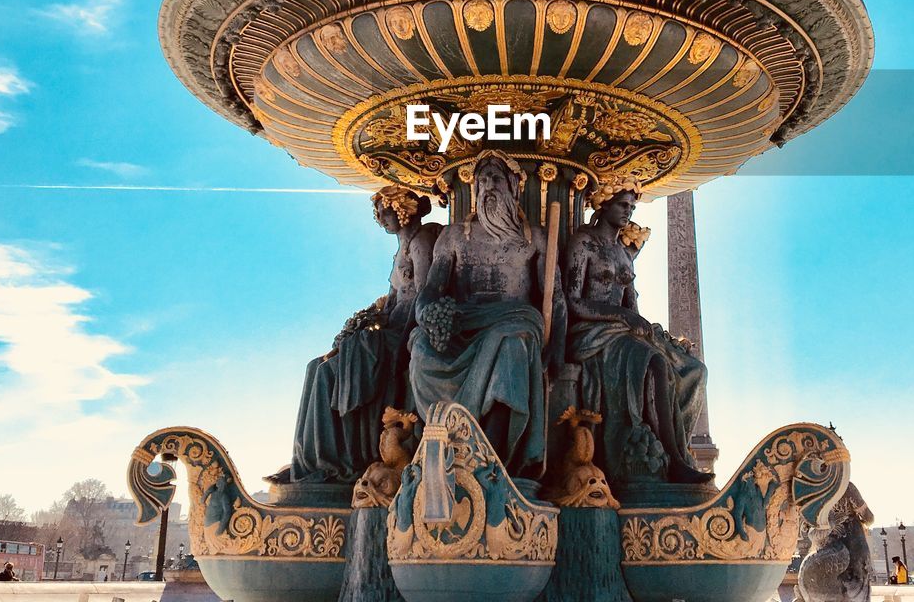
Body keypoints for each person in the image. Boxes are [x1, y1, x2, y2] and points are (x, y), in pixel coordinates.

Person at [410, 151, 565, 476]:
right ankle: (444, 442)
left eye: (495, 178)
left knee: (510, 344)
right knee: (421, 349)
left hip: (515, 320)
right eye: (481, 180)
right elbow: (429, 291)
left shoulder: (534, 238)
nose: (488, 186)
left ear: (514, 186)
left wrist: (558, 348)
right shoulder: (453, 237)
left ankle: (493, 459)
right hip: (464, 322)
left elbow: (556, 298)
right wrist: (428, 313)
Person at [278, 186, 439, 484]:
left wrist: (393, 336)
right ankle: (311, 460)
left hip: (405, 331)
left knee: (331, 374)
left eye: (386, 211)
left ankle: (339, 457)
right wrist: (366, 322)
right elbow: (391, 300)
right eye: (378, 213)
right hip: (388, 326)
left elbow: (426, 293)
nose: (381, 218)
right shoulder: (399, 251)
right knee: (316, 367)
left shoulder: (422, 241)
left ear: (403, 209)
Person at [564, 179, 711, 484]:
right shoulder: (584, 242)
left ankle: (679, 446)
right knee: (655, 364)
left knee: (693, 370)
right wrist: (620, 317)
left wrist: (663, 339)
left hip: (624, 331)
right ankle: (673, 459)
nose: (628, 212)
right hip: (593, 333)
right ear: (604, 205)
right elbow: (572, 301)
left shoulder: (622, 253)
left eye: (631, 207)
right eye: (622, 205)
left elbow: (633, 307)